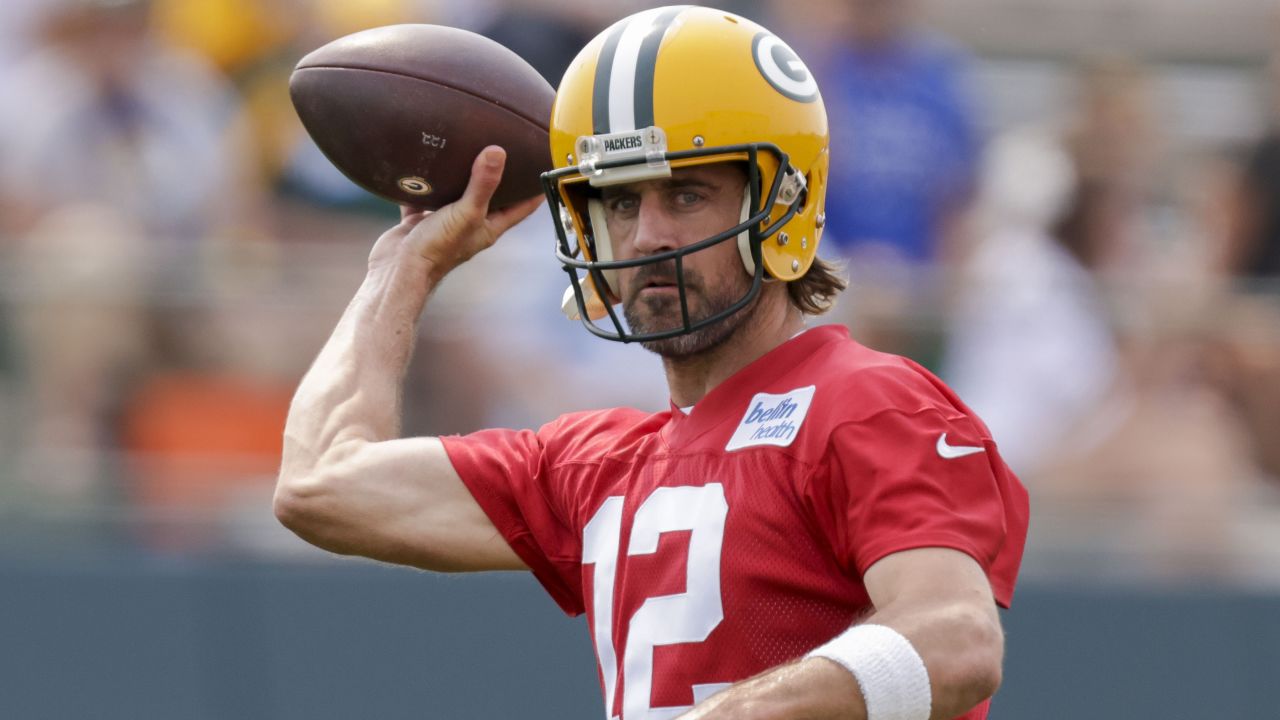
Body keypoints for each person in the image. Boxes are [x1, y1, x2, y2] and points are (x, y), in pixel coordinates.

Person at [274, 7, 1029, 720]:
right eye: (621, 203)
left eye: (687, 193)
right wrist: (401, 269)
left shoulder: (869, 403)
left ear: (782, 201)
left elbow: (955, 639)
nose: (645, 237)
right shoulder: (597, 467)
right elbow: (321, 484)